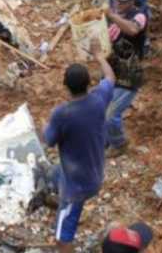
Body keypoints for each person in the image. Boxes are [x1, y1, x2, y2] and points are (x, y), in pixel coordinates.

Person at [43, 39, 115, 253]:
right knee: (52, 173)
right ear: (89, 83)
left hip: (78, 187)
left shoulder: (62, 114)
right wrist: (99, 55)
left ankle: (66, 209)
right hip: (94, 170)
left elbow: (48, 141)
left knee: (62, 240)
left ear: (65, 86)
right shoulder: (98, 98)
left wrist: (43, 126)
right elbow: (111, 77)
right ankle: (58, 202)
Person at [101, 0, 148, 153]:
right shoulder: (114, 14)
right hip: (110, 70)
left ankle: (119, 144)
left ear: (132, 0)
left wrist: (112, 15)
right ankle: (106, 140)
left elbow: (133, 29)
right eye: (117, 0)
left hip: (128, 74)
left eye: (123, 1)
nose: (118, 3)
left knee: (111, 114)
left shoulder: (139, 15)